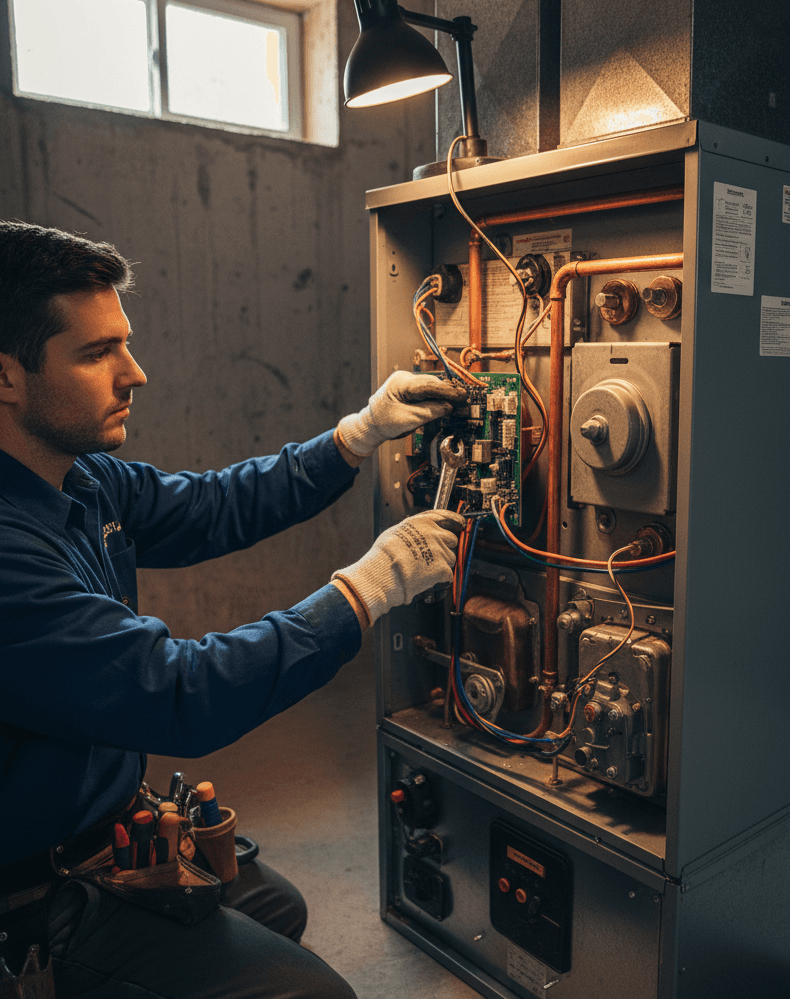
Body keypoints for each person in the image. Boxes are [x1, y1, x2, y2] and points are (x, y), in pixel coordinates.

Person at [0, 220, 465, 998]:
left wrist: (354, 439)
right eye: (94, 353)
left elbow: (213, 506)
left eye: (124, 342)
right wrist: (365, 589)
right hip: (35, 895)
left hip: (112, 833)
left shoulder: (77, 476)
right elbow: (182, 693)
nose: (134, 373)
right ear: (5, 378)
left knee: (273, 906)